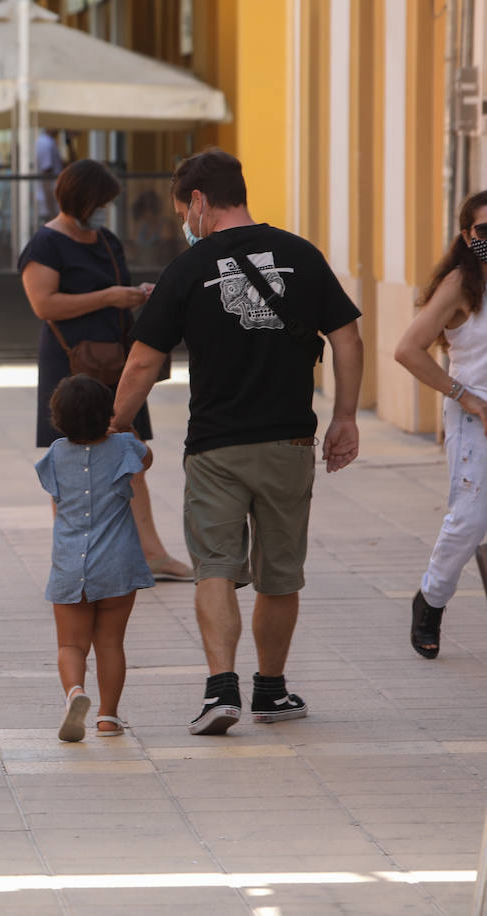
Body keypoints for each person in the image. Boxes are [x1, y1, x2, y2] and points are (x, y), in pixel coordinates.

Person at [111, 148, 364, 735]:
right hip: (291, 443)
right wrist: (345, 417)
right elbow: (347, 338)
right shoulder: (301, 255)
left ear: (198, 201)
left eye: (184, 210)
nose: (185, 221)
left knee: (215, 570)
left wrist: (116, 426)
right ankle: (270, 692)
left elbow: (143, 363)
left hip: (215, 448)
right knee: (279, 574)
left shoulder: (186, 269)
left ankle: (221, 690)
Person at [20, 158, 192, 582]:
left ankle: (152, 554)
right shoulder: (45, 245)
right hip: (72, 365)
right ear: (79, 199)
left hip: (115, 359)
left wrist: (135, 296)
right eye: (100, 202)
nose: (105, 211)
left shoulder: (106, 240)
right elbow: (44, 305)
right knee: (70, 458)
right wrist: (108, 296)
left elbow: (116, 292)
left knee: (126, 452)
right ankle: (72, 555)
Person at [393, 190, 487, 659]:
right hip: (475, 411)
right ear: (467, 235)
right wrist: (464, 397)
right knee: (469, 518)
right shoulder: (460, 285)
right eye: (484, 231)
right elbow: (408, 348)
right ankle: (430, 601)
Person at [36, 374, 154, 742]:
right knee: (110, 643)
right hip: (117, 564)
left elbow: (54, 496)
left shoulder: (56, 453)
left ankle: (75, 692)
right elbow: (146, 460)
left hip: (70, 565)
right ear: (108, 413)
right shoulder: (123, 448)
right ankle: (108, 717)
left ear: (57, 418)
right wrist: (126, 430)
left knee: (70, 645)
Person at [34, 128, 64, 221]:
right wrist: (51, 210)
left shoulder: (47, 141)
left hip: (50, 200)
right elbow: (46, 175)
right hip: (49, 201)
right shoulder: (46, 143)